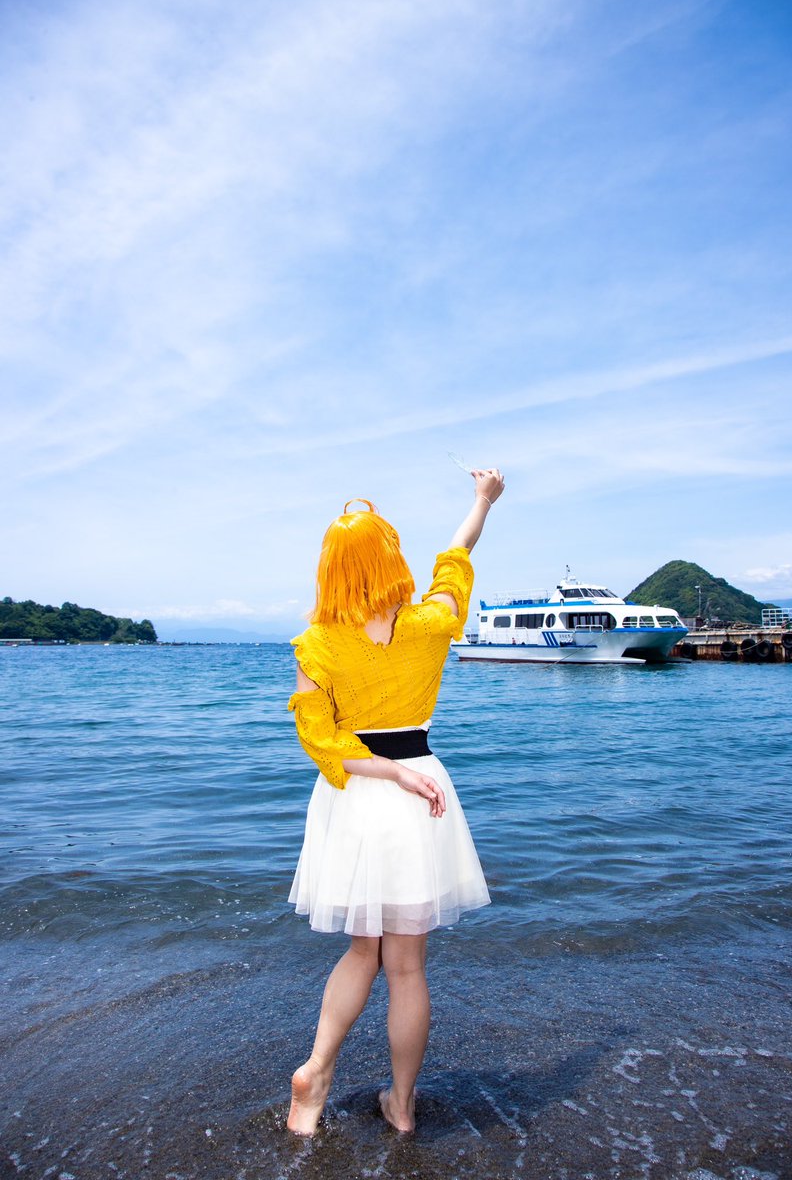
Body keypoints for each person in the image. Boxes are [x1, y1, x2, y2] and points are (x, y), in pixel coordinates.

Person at [286, 467, 505, 1136]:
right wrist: (482, 500)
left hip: (356, 795)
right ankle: (402, 1106)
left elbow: (321, 742)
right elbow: (455, 558)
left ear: (330, 568)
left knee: (363, 952)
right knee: (406, 968)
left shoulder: (317, 644)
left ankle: (317, 1069)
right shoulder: (431, 623)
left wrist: (381, 771)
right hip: (418, 786)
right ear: (390, 558)